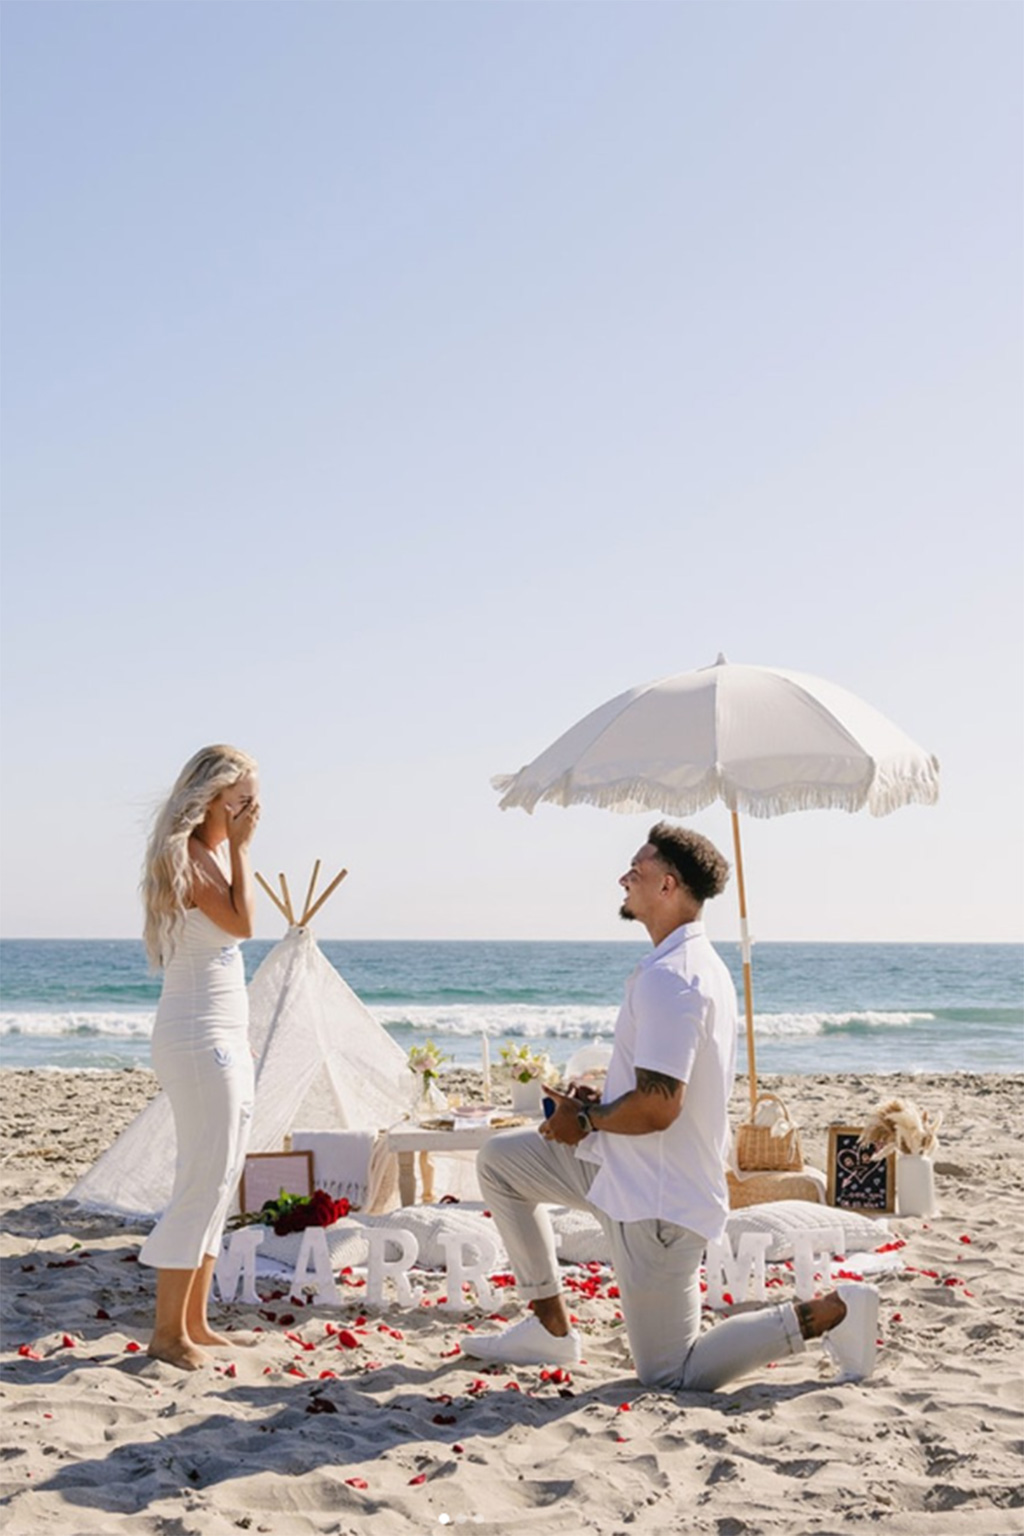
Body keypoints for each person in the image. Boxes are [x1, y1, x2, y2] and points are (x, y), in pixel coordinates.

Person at [471, 823, 878, 1390]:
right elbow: (658, 1087)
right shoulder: (683, 965)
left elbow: (661, 1106)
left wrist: (584, 1119)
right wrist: (600, 1103)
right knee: (501, 1162)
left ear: (667, 885)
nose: (623, 879)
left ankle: (832, 1313)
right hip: (617, 1169)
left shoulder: (674, 979)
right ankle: (550, 1328)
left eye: (635, 871)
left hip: (657, 1201)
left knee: (668, 1372)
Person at [138, 744, 261, 1370]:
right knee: (202, 1178)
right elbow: (242, 925)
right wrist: (242, 849)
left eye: (254, 800)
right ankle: (167, 1332)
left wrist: (234, 846)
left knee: (222, 1175)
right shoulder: (189, 855)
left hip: (223, 1032)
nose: (251, 811)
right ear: (210, 799)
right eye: (240, 799)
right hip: (196, 1034)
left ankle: (195, 1321)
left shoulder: (211, 854)